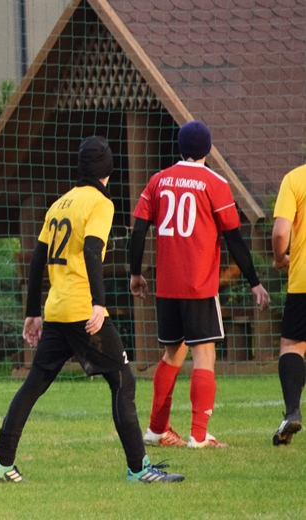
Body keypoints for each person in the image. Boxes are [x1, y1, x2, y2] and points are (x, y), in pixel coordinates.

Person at [0, 136, 184, 484]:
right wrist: (99, 303)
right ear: (108, 169)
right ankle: (139, 468)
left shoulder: (60, 203)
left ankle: (2, 462)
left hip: (57, 309)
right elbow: (92, 251)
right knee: (122, 380)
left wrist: (33, 311)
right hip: (83, 311)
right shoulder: (100, 203)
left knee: (34, 383)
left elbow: (37, 258)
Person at [128, 120, 270, 449]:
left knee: (172, 354)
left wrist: (135, 273)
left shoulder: (158, 180)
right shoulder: (214, 183)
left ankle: (157, 430)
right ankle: (199, 435)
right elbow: (233, 238)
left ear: (180, 148)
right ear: (207, 149)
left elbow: (138, 231)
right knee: (204, 355)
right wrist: (254, 282)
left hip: (167, 285)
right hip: (198, 284)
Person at [270, 162, 306, 445]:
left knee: (292, 345)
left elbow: (281, 233)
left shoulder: (295, 178)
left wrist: (280, 258)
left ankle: (292, 411)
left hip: (303, 280)